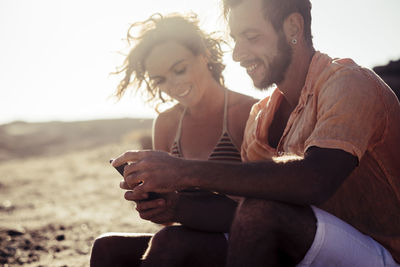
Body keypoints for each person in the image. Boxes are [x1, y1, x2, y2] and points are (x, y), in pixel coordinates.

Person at [111, 0, 400, 266]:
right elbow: (237, 212)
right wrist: (175, 206)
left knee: (261, 212)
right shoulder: (261, 116)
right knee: (145, 246)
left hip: (382, 251)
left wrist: (183, 171)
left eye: (251, 37)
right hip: (305, 244)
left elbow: (316, 179)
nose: (238, 54)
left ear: (293, 28)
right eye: (236, 39)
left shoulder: (348, 83)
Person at [90, 13, 257, 267]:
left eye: (179, 70)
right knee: (106, 247)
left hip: (251, 239)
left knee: (170, 242)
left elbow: (265, 211)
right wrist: (154, 203)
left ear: (205, 55)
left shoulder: (247, 112)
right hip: (192, 238)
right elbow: (169, 219)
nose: (173, 85)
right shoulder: (168, 124)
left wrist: (180, 207)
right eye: (160, 80)